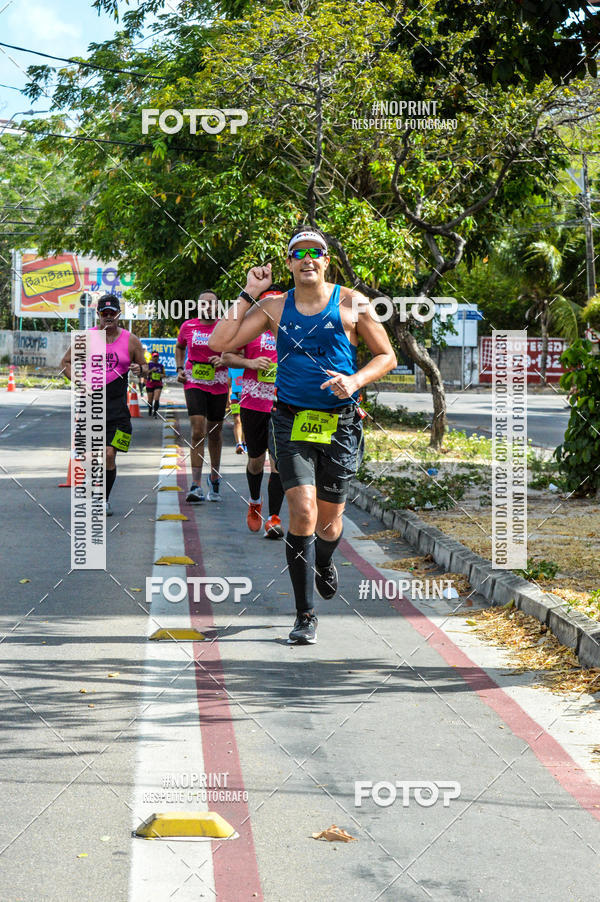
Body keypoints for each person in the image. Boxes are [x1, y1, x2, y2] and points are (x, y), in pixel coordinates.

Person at [209, 227, 397, 643]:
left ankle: (325, 559)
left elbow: (387, 355)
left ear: (326, 260)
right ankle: (305, 614)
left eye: (316, 252)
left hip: (341, 423)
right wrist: (248, 292)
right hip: (290, 420)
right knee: (304, 514)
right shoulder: (274, 306)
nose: (308, 258)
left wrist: (355, 380)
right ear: (289, 262)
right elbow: (218, 343)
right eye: (299, 253)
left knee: (329, 523)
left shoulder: (353, 303)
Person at [61, 293, 147, 516]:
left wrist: (140, 370)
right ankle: (93, 486)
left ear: (119, 314)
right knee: (93, 456)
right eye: (104, 313)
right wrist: (79, 382)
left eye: (112, 313)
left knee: (110, 454)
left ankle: (103, 499)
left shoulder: (131, 340)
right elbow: (65, 363)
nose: (108, 317)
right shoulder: (87, 338)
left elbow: (145, 367)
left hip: (119, 408)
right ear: (98, 315)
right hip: (92, 405)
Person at [222, 284, 286, 539]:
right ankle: (255, 501)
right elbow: (226, 356)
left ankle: (274, 518)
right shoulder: (251, 330)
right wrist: (250, 362)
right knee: (257, 460)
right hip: (252, 403)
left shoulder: (292, 331)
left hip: (284, 404)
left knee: (279, 463)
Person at [175, 290, 228, 503]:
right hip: (194, 379)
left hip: (219, 381)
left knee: (215, 432)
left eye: (211, 303)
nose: (207, 306)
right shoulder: (188, 326)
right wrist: (179, 368)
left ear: (217, 306)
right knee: (197, 431)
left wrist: (224, 359)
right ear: (197, 306)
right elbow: (180, 346)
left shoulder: (225, 326)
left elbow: (236, 351)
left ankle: (214, 477)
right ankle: (195, 484)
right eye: (203, 303)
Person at [228, 367, 246, 454]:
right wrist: (228, 398)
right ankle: (239, 444)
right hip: (235, 396)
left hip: (248, 396)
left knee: (246, 421)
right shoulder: (231, 367)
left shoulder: (249, 365)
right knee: (237, 420)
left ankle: (245, 443)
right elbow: (229, 384)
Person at [145, 350, 166, 417]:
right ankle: (150, 409)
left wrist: (161, 375)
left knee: (156, 398)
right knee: (150, 400)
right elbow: (145, 373)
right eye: (154, 356)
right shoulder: (149, 364)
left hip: (158, 383)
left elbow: (164, 375)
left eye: (157, 356)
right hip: (150, 383)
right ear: (152, 357)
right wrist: (151, 370)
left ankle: (155, 412)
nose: (155, 358)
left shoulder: (161, 366)